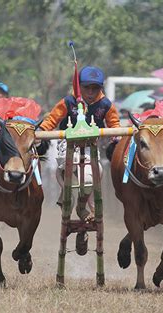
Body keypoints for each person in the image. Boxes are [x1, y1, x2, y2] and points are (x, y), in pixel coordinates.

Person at [39, 65, 120, 247]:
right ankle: (74, 201)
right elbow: (51, 120)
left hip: (91, 149)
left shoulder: (106, 104)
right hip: (67, 147)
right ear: (79, 86)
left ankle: (82, 208)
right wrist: (42, 132)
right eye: (86, 88)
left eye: (95, 88)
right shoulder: (69, 102)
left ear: (101, 89)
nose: (90, 92)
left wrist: (116, 136)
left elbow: (114, 124)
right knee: (68, 169)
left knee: (95, 173)